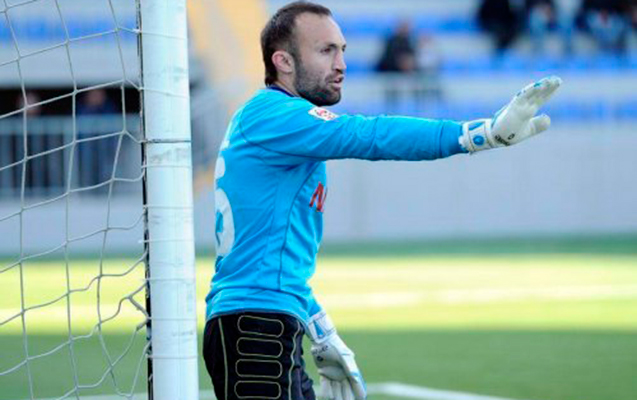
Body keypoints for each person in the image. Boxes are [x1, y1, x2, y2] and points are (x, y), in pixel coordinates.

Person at [203, 2, 562, 400]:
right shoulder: (275, 114)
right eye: (326, 51)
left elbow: (269, 254)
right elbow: (369, 134)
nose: (341, 64)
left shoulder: (274, 122)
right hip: (254, 328)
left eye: (342, 50)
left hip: (263, 319)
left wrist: (320, 328)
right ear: (283, 61)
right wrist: (480, 135)